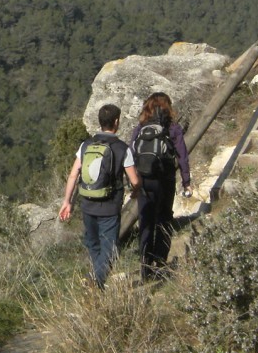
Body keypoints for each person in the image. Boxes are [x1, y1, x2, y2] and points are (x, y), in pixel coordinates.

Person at [59, 104, 141, 289]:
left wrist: (67, 202)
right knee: (110, 250)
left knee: (93, 244)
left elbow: (74, 174)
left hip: (87, 203)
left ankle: (96, 284)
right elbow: (134, 180)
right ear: (117, 122)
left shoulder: (85, 145)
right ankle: (95, 281)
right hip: (110, 207)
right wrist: (136, 192)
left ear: (100, 122)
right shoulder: (122, 149)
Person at [128, 92, 190, 282]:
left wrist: (133, 181)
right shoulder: (173, 128)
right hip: (166, 179)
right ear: (168, 108)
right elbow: (183, 156)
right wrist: (186, 181)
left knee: (146, 221)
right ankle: (160, 263)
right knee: (164, 219)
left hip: (144, 180)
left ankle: (145, 267)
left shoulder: (140, 128)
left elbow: (131, 153)